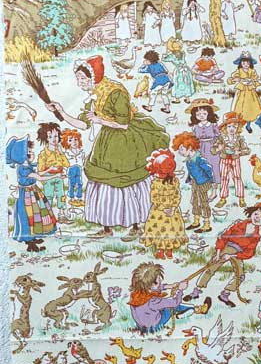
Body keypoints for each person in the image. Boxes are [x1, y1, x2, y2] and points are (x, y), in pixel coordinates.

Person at [46, 56, 169, 241]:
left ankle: (136, 226)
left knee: (127, 180)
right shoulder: (94, 94)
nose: (79, 83)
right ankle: (106, 227)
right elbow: (84, 124)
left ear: (93, 76)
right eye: (78, 78)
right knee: (102, 179)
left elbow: (124, 124)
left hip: (126, 140)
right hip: (107, 140)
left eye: (82, 78)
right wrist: (60, 111)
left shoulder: (115, 91)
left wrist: (100, 120)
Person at [184, 203, 261, 309]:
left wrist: (232, 255)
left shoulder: (256, 236)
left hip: (237, 254)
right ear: (252, 212)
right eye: (256, 214)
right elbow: (223, 236)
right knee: (211, 267)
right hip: (226, 247)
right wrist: (218, 252)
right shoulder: (239, 224)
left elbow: (249, 252)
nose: (258, 218)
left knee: (240, 275)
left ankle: (225, 294)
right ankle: (196, 291)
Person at [5, 136, 56, 252]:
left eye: (31, 151)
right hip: (26, 195)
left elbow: (39, 173)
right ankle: (29, 242)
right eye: (28, 152)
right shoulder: (23, 169)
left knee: (37, 214)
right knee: (28, 216)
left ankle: (33, 237)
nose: (32, 153)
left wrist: (49, 169)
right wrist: (56, 175)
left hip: (33, 192)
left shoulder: (27, 165)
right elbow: (40, 177)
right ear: (21, 156)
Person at [128, 263, 208, 335]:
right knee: (172, 306)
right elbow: (174, 302)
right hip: (154, 326)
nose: (160, 282)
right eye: (158, 282)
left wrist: (170, 286)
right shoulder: (153, 301)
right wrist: (180, 290)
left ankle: (190, 310)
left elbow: (155, 288)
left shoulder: (136, 294)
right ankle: (195, 310)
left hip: (142, 325)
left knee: (164, 306)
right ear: (150, 286)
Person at [140, 148, 187, 259]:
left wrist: (164, 208)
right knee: (171, 229)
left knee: (160, 230)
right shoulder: (174, 181)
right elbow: (177, 195)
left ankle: (162, 252)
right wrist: (173, 207)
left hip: (159, 212)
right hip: (172, 211)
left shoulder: (156, 183)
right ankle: (168, 251)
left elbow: (154, 198)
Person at [174, 132, 215, 234]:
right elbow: (191, 172)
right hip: (195, 183)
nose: (179, 152)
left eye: (181, 149)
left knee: (204, 203)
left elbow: (209, 170)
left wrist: (213, 187)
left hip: (203, 183)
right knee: (195, 202)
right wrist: (190, 180)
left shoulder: (199, 159)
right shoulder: (189, 160)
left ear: (190, 147)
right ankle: (196, 221)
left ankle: (206, 224)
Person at [212, 112, 250, 208]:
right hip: (224, 160)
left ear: (238, 128)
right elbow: (213, 150)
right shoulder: (221, 138)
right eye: (229, 126)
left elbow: (247, 150)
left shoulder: (239, 139)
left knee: (237, 177)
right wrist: (219, 149)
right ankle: (223, 198)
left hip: (235, 160)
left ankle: (241, 198)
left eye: (234, 126)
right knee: (224, 178)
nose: (232, 129)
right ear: (225, 128)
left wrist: (239, 152)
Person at [36, 122, 68, 213]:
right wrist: (49, 169)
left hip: (59, 176)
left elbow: (66, 164)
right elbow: (40, 171)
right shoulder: (43, 154)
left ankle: (62, 213)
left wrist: (61, 153)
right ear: (46, 138)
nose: (54, 139)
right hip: (48, 177)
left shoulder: (59, 152)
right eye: (50, 137)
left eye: (56, 136)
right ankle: (45, 214)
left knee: (61, 194)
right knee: (48, 195)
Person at [227, 52, 261, 133]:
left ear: (250, 64)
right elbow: (231, 79)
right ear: (241, 64)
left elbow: (256, 81)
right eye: (243, 63)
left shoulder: (252, 71)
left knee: (250, 109)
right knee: (239, 109)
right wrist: (236, 79)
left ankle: (248, 125)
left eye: (247, 63)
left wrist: (252, 82)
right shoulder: (239, 71)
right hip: (241, 92)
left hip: (251, 93)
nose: (245, 65)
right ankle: (238, 125)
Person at [139, 50, 173, 114]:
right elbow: (166, 70)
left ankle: (149, 107)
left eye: (146, 60)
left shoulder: (149, 67)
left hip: (159, 81)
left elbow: (140, 70)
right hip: (166, 80)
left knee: (153, 93)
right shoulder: (159, 64)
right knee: (164, 94)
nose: (145, 61)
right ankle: (167, 108)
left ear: (150, 60)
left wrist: (143, 65)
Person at [163, 38, 195, 104]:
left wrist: (167, 53)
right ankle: (186, 99)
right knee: (185, 83)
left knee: (179, 84)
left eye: (178, 47)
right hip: (185, 70)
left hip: (180, 71)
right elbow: (165, 59)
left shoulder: (173, 55)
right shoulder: (181, 53)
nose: (178, 48)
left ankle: (179, 99)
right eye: (176, 47)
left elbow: (164, 59)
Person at [61, 129, 85, 208]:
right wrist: (64, 172)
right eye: (70, 140)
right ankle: (72, 198)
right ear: (66, 142)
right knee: (71, 184)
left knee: (79, 183)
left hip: (79, 169)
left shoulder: (81, 152)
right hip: (71, 169)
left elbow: (83, 161)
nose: (74, 142)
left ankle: (79, 197)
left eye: (76, 139)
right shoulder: (67, 153)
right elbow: (64, 164)